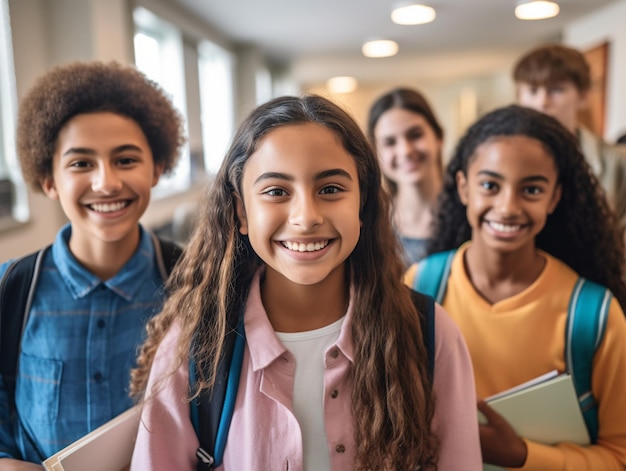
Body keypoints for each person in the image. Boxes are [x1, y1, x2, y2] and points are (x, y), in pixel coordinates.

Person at [129, 95, 481, 470]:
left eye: (330, 189)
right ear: (240, 212)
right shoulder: (196, 347)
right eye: (276, 191)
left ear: (362, 204)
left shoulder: (429, 332)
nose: (306, 217)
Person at [405, 105, 626, 469]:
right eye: (490, 185)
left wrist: (521, 455)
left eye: (532, 189)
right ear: (463, 187)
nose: (507, 207)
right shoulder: (419, 286)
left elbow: (618, 456)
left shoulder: (595, 315)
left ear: (554, 198)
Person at [0, 61, 186, 468]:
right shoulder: (11, 288)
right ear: (49, 180)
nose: (106, 183)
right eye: (81, 163)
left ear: (157, 168)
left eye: (125, 160)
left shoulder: (192, 283)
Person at [513, 43, 626, 240]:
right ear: (519, 97)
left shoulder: (616, 162)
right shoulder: (501, 160)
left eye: (556, 90)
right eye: (532, 90)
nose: (542, 102)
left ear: (582, 96)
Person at [367, 87, 444, 265]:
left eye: (415, 135)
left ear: (439, 137)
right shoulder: (370, 224)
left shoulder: (471, 213)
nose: (405, 151)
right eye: (389, 142)